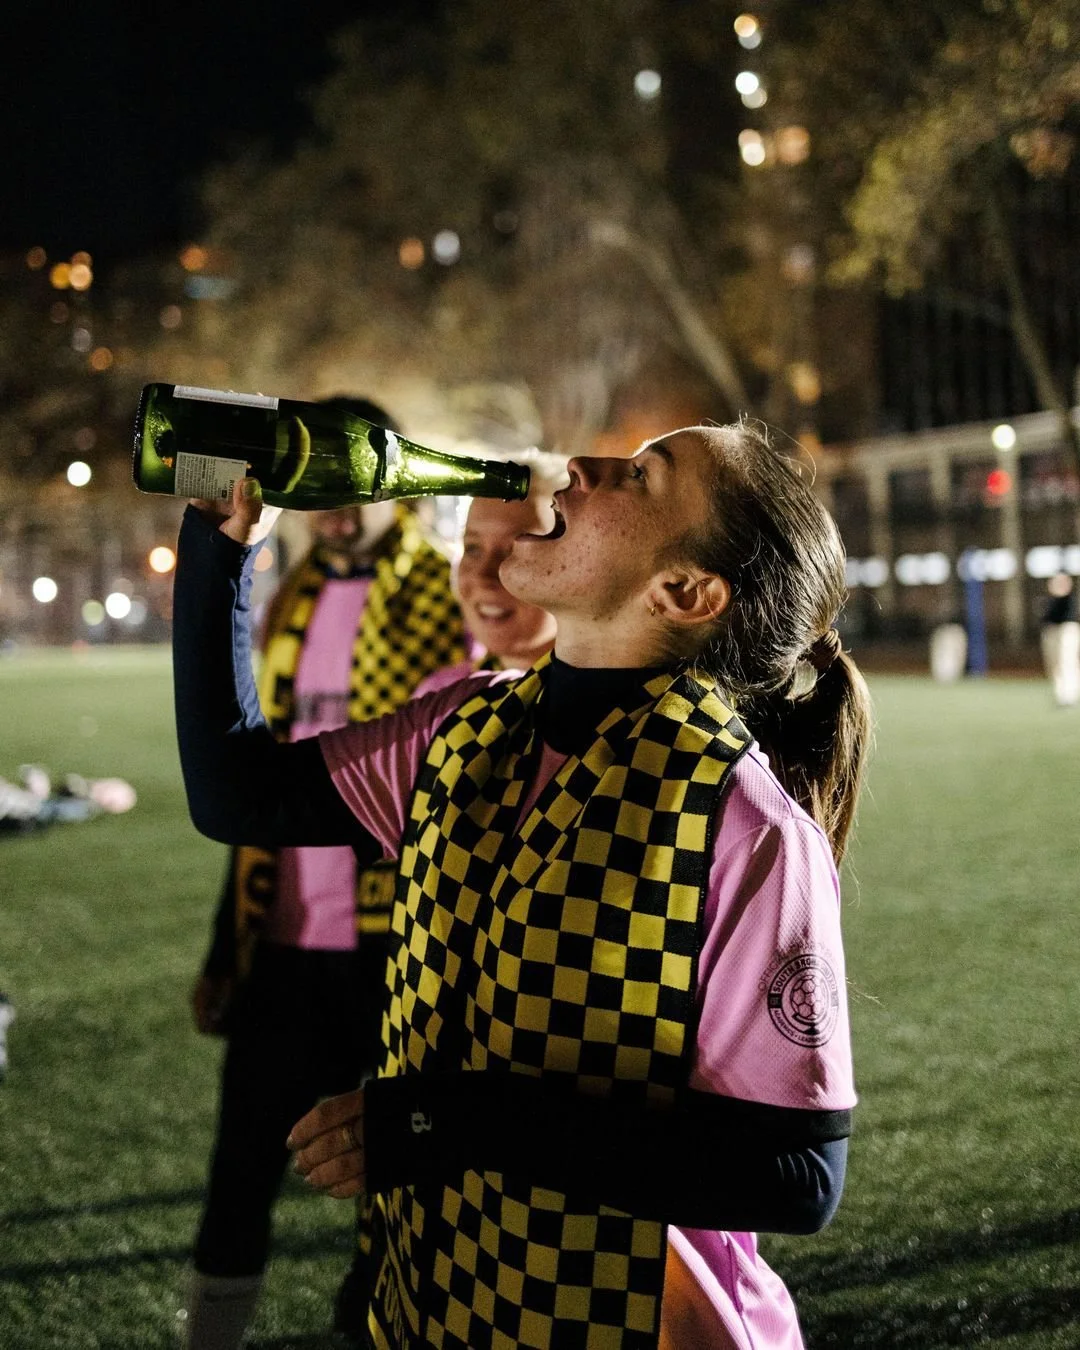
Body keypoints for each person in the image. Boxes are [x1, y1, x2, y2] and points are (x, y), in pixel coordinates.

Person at [173, 421, 870, 1350]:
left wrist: (453, 1120)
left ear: (683, 591)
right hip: (436, 1308)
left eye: (641, 476)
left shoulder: (746, 826)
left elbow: (797, 1176)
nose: (582, 466)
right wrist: (220, 549)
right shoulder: (465, 725)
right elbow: (237, 796)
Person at [183, 398, 467, 1350]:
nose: (337, 516)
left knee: (399, 1194)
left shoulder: (447, 597)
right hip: (283, 937)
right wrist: (226, 941)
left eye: (353, 496)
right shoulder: (291, 598)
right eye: (321, 498)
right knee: (239, 1168)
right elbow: (255, 790)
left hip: (398, 947)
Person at [331, 447, 567, 1339]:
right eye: (471, 548)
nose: (484, 575)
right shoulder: (450, 704)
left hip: (554, 1183)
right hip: (425, 1146)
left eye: (519, 547)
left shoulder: (630, 726)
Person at [1039, 571, 1079, 707]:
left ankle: (1070, 695)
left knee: (1067, 662)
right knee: (1054, 665)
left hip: (1066, 630)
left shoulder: (1068, 599)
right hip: (1052, 631)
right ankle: (1061, 694)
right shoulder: (1049, 600)